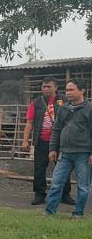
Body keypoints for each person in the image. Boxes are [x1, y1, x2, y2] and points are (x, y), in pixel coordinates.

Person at [22, 77, 74, 205]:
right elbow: (29, 123)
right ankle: (39, 194)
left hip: (60, 142)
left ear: (55, 87)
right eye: (43, 86)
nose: (45, 89)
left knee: (63, 168)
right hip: (41, 141)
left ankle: (65, 194)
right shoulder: (36, 102)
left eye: (48, 86)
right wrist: (25, 140)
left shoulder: (65, 100)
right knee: (39, 169)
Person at [44, 78, 92, 219]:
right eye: (66, 90)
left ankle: (78, 214)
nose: (68, 93)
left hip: (83, 154)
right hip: (64, 154)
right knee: (56, 183)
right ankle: (49, 212)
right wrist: (52, 149)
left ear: (81, 91)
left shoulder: (89, 109)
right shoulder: (64, 108)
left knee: (83, 187)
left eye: (71, 90)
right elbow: (56, 129)